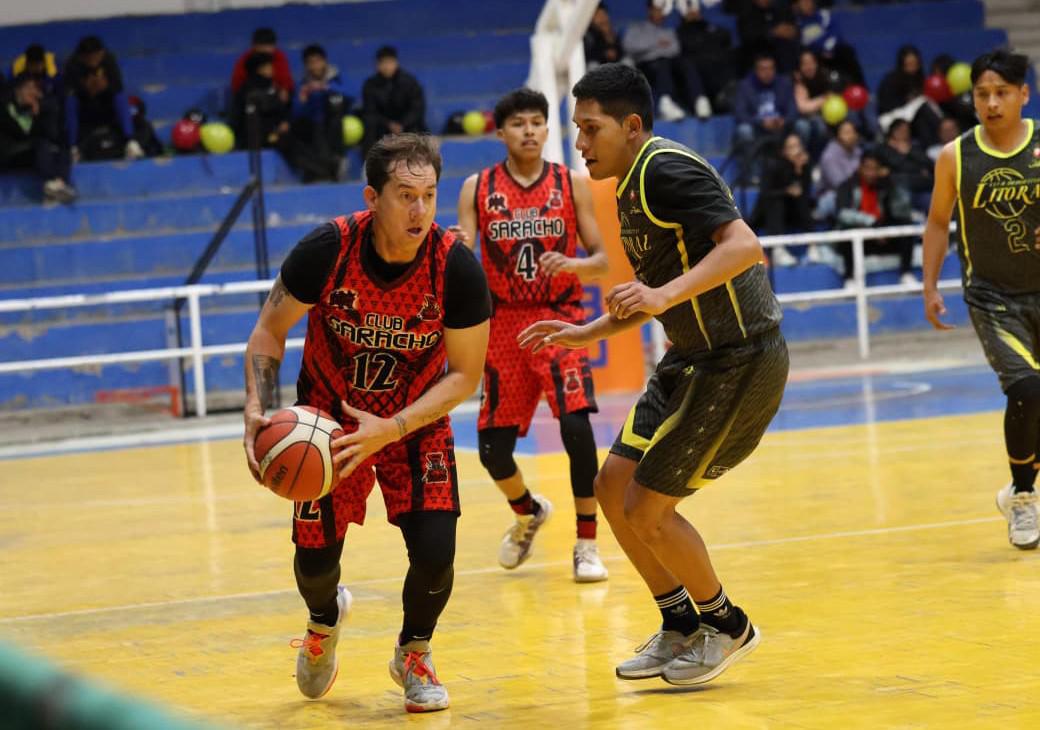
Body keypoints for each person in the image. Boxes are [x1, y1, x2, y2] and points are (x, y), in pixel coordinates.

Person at [521, 62, 788, 685]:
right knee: (611, 485)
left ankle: (728, 625)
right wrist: (588, 331)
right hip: (689, 357)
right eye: (578, 130)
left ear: (631, 126)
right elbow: (651, 293)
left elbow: (745, 245)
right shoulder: (628, 186)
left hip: (739, 359)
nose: (581, 144)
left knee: (646, 507)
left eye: (590, 130)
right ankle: (679, 624)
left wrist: (662, 298)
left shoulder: (667, 167)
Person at [242, 134, 491, 713]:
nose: (420, 210)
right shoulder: (328, 247)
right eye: (405, 195)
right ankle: (324, 623)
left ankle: (414, 651)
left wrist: (395, 424)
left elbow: (464, 376)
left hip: (414, 422)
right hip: (328, 423)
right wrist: (260, 407)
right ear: (372, 197)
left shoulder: (455, 265)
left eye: (428, 195)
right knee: (315, 562)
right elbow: (268, 332)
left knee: (435, 553)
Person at [455, 88, 611, 582]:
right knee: (491, 452)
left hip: (558, 320)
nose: (529, 130)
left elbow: (603, 262)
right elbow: (461, 259)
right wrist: (455, 252)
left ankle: (587, 544)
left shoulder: (571, 184)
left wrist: (574, 264)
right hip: (502, 325)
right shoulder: (477, 188)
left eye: (537, 122)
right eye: (518, 123)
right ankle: (527, 511)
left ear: (548, 130)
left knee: (577, 431)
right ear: (500, 133)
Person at [922, 49, 1040, 550]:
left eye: (1001, 93)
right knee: (1027, 390)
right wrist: (929, 286)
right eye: (982, 94)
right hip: (992, 296)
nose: (991, 103)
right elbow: (936, 222)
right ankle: (1023, 497)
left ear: (1023, 95)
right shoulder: (955, 155)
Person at [834, 150, 916, 288]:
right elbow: (843, 214)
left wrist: (890, 182)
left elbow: (903, 209)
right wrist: (871, 223)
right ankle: (850, 278)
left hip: (883, 234)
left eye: (875, 169)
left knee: (906, 225)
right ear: (860, 168)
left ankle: (906, 273)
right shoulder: (847, 186)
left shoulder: (885, 184)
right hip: (862, 234)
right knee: (847, 234)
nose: (871, 173)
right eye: (867, 168)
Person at [622, 0, 711, 120]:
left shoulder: (668, 31)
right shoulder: (637, 28)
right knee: (662, 64)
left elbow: (675, 48)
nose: (661, 13)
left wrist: (653, 46)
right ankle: (666, 103)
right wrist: (657, 44)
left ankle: (700, 100)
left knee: (686, 63)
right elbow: (630, 46)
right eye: (657, 9)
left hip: (670, 63)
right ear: (650, 10)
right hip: (646, 64)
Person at [63, 36, 142, 161]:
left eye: (96, 56)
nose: (94, 61)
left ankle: (130, 141)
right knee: (70, 101)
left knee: (120, 97)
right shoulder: (72, 65)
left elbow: (117, 86)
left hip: (106, 105)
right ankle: (73, 147)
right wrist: (87, 89)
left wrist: (105, 87)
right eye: (90, 58)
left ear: (101, 53)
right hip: (85, 107)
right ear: (82, 57)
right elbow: (70, 90)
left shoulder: (109, 61)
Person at [0, 75, 76, 203]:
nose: (33, 92)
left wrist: (38, 114)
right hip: (9, 153)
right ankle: (50, 181)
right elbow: (20, 133)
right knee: (41, 144)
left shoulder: (38, 108)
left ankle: (60, 183)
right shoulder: (4, 106)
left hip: (29, 150)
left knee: (62, 147)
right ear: (18, 90)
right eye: (28, 88)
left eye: (35, 88)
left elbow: (51, 134)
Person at [750, 132, 813, 266]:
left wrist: (799, 171)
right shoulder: (773, 166)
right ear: (784, 151)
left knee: (802, 199)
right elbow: (766, 194)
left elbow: (806, 193)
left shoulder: (804, 166)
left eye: (798, 146)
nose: (796, 150)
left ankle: (813, 246)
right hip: (770, 213)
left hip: (793, 211)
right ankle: (778, 249)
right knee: (776, 202)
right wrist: (786, 191)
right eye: (791, 147)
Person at [289, 44, 349, 182]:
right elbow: (296, 113)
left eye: (318, 61)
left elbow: (351, 95)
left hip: (340, 123)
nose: (315, 66)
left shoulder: (336, 77)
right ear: (306, 66)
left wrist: (326, 87)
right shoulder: (303, 84)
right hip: (315, 127)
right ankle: (326, 170)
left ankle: (338, 160)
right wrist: (303, 99)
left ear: (325, 61)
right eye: (311, 63)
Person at [361, 46, 427, 156]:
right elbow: (370, 111)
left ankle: (417, 163)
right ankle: (369, 164)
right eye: (383, 63)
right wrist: (388, 124)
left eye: (390, 62)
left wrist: (402, 124)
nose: (387, 67)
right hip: (382, 126)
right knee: (369, 124)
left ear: (396, 63)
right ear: (377, 65)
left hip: (406, 125)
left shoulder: (409, 82)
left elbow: (417, 108)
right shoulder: (370, 85)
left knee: (417, 129)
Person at [676, 3, 735, 112]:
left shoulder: (708, 27)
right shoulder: (680, 32)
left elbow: (725, 35)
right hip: (698, 70)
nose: (693, 12)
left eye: (695, 9)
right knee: (690, 65)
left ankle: (726, 94)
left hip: (716, 66)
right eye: (689, 10)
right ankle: (701, 101)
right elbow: (688, 46)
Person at [230, 27, 293, 101]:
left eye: (269, 45)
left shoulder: (279, 57)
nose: (266, 49)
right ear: (254, 46)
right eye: (262, 46)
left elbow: (286, 81)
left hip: (274, 97)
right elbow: (237, 85)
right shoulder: (245, 59)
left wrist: (284, 89)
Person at [584, 2, 623, 67]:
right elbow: (587, 54)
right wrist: (603, 53)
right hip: (595, 64)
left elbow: (619, 51)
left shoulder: (610, 30)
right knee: (593, 65)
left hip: (611, 65)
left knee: (627, 61)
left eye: (604, 14)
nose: (602, 18)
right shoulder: (587, 33)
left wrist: (608, 35)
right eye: (598, 15)